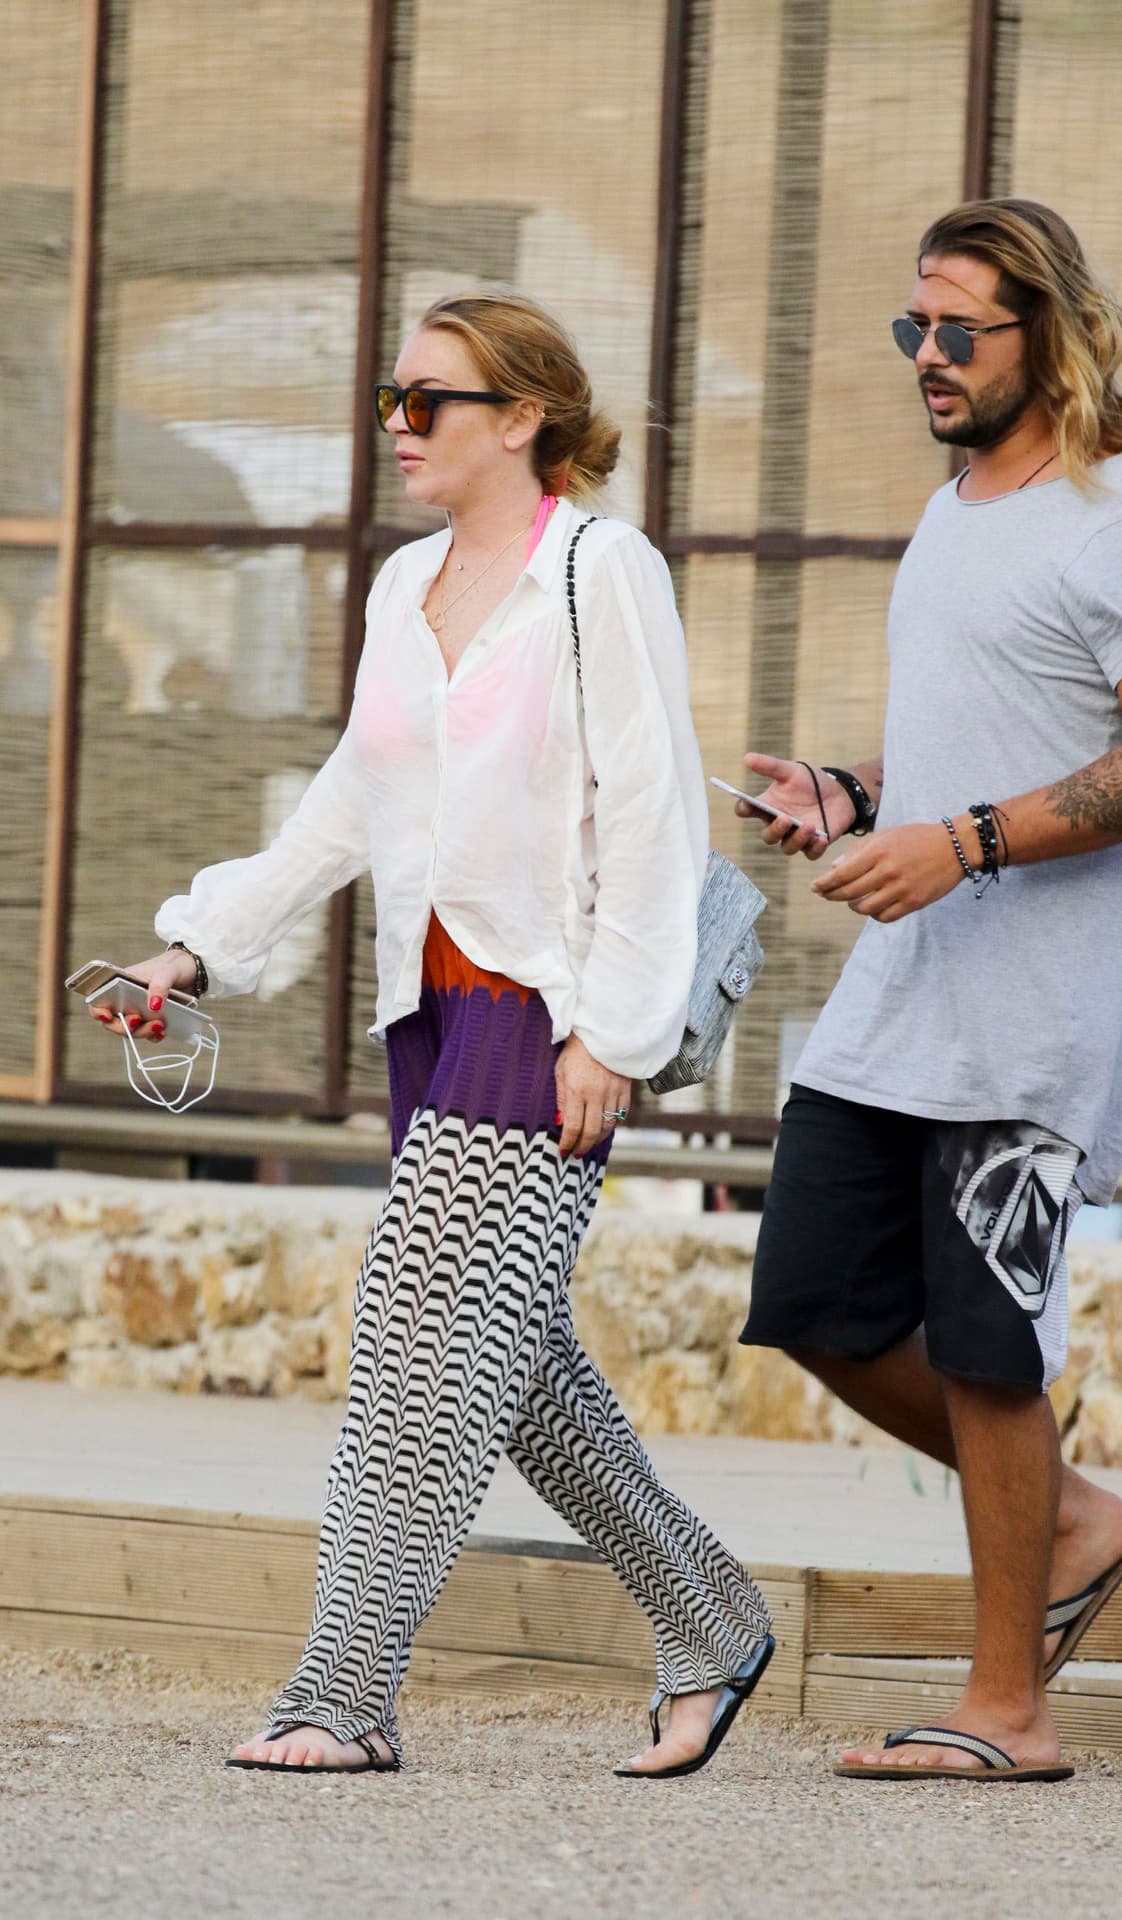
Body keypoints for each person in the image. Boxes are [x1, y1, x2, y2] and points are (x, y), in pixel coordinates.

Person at [94, 292, 772, 1776]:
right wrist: (199, 946)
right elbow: (352, 798)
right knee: (504, 1366)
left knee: (416, 1346)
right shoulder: (407, 585)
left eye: (427, 403)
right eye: (389, 401)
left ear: (522, 418)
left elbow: (652, 813)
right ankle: (713, 1617)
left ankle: (342, 1694)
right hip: (435, 1011)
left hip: (547, 1013)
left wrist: (613, 1033)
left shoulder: (601, 570)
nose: (397, 427)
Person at [737, 200, 1122, 1783]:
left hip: (1035, 1016)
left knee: (986, 1347)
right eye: (915, 328)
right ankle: (1071, 1519)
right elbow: (986, 737)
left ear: (1051, 333)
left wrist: (962, 844)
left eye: (961, 329)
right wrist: (857, 793)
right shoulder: (958, 507)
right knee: (811, 1297)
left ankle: (1008, 1705)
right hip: (910, 990)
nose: (929, 356)